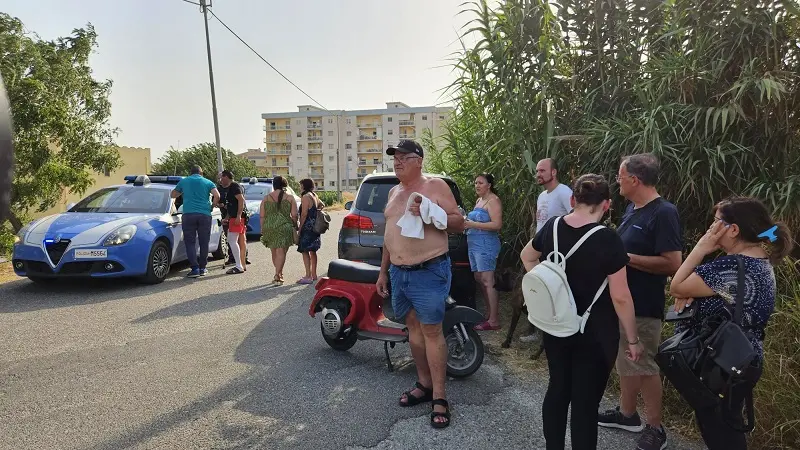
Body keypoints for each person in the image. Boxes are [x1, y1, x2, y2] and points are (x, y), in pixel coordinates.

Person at [521, 174, 643, 450]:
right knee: (585, 403)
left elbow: (527, 256)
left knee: (558, 389)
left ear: (573, 199)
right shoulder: (608, 239)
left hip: (555, 324)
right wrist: (632, 339)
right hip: (595, 332)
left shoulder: (552, 227)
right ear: (607, 204)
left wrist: (548, 285)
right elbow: (621, 296)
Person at [669, 197, 792, 450]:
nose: (710, 230)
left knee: (721, 433)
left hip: (722, 363)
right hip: (742, 358)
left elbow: (676, 285)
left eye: (715, 223)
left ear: (733, 230)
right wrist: (693, 291)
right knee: (725, 426)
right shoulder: (759, 263)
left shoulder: (730, 266)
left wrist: (701, 248)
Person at [375, 139, 464, 429]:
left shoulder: (435, 186)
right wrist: (383, 272)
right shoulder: (393, 191)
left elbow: (458, 222)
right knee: (412, 326)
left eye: (404, 157)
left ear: (419, 160)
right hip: (399, 273)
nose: (397, 161)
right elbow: (389, 235)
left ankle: (440, 396)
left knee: (431, 330)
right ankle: (424, 384)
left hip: (429, 270)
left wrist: (429, 215)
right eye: (395, 158)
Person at [598, 153, 683, 450]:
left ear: (635, 179)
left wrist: (624, 257)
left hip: (644, 303)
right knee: (627, 359)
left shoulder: (664, 212)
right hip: (623, 300)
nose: (617, 182)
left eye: (620, 177)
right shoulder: (633, 208)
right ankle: (627, 414)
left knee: (644, 364)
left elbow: (672, 263)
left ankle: (655, 428)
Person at [519, 158, 574, 342]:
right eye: (537, 171)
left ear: (554, 172)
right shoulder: (542, 196)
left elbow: (575, 218)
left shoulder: (564, 192)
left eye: (542, 171)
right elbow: (541, 223)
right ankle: (538, 331)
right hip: (541, 251)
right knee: (540, 291)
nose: (538, 174)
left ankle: (557, 332)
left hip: (558, 254)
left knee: (556, 293)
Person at [464, 173, 503, 331]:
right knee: (479, 277)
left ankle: (494, 320)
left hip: (486, 245)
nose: (477, 185)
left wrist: (472, 224)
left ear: (489, 185)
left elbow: (497, 225)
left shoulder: (493, 201)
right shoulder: (479, 201)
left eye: (480, 183)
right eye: (475, 183)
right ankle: (489, 313)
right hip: (474, 244)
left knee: (488, 280)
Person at [170, 165, 220, 278]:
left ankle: (195, 268)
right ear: (201, 173)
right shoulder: (208, 182)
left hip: (188, 214)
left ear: (190, 173)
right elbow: (217, 195)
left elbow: (173, 194)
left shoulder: (184, 181)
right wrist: (212, 206)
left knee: (190, 242)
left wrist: (182, 192)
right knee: (204, 242)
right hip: (204, 215)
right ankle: (203, 268)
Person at [260, 175, 298, 284]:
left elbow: (262, 216)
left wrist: (262, 228)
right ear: (285, 185)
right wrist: (295, 224)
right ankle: (278, 275)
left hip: (269, 226)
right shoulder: (290, 198)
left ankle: (278, 273)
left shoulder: (266, 198)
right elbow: (294, 215)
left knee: (274, 251)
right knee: (282, 251)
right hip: (284, 226)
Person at [217, 170, 247, 275]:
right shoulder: (230, 188)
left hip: (237, 218)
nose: (220, 180)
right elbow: (231, 206)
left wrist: (238, 216)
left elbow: (241, 200)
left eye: (221, 178)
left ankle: (239, 266)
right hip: (234, 217)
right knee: (238, 241)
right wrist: (226, 217)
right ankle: (241, 264)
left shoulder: (235, 186)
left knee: (232, 240)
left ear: (226, 177)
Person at [296, 178, 324, 284]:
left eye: (300, 185)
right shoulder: (314, 195)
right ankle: (314, 274)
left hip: (307, 227)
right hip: (315, 226)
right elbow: (322, 205)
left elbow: (303, 214)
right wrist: (316, 212)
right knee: (313, 251)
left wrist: (300, 227)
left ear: (304, 186)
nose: (300, 187)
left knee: (304, 250)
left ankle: (308, 276)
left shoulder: (305, 197)